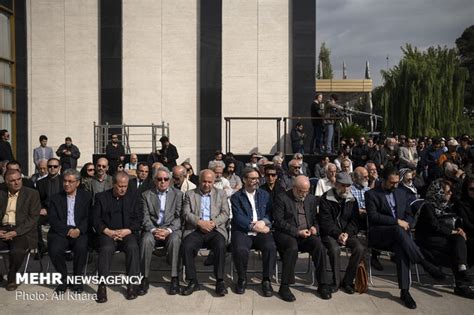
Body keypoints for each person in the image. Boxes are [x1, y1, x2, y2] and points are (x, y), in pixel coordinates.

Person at [365, 167, 445, 309]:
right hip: (380, 234)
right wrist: (397, 222)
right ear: (383, 180)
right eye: (392, 182)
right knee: (398, 230)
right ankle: (424, 263)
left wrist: (407, 223)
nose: (395, 185)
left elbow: (409, 213)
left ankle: (405, 292)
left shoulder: (402, 193)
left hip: (400, 236)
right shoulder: (371, 194)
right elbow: (373, 216)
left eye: (397, 182)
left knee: (402, 248)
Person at [273, 175, 332, 301]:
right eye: (301, 191)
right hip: (287, 233)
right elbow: (278, 221)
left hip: (306, 233)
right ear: (294, 187)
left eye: (306, 191)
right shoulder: (282, 198)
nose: (304, 194)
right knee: (292, 247)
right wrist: (297, 232)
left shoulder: (310, 199)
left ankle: (322, 284)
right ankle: (284, 286)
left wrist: (315, 227)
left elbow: (315, 218)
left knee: (320, 247)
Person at [415, 179, 474, 299]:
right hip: (428, 239)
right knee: (457, 247)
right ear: (438, 192)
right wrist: (453, 231)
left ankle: (462, 272)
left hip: (443, 238)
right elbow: (434, 226)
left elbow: (454, 220)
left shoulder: (446, 206)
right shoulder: (428, 206)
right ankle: (462, 283)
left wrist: (459, 229)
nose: (451, 193)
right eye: (447, 191)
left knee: (460, 242)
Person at [93, 172, 142, 303]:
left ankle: (131, 284)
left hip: (126, 233)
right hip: (108, 233)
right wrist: (107, 231)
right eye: (120, 186)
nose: (123, 189)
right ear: (113, 184)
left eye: (125, 186)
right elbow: (95, 219)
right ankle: (102, 286)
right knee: (106, 248)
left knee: (132, 246)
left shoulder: (133, 198)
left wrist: (128, 230)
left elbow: (138, 219)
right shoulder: (101, 197)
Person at [181, 169, 230, 296]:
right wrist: (200, 222)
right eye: (204, 181)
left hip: (215, 229)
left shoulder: (221, 194)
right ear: (199, 181)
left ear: (214, 182)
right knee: (187, 246)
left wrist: (212, 223)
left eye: (209, 182)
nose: (206, 184)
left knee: (220, 245)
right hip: (195, 229)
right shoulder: (189, 194)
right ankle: (192, 281)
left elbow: (225, 213)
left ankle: (219, 281)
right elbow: (186, 213)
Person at [230, 167, 276, 296]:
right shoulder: (236, 197)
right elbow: (238, 217)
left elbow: (270, 212)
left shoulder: (265, 195)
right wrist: (253, 227)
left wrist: (264, 221)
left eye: (257, 178)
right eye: (253, 178)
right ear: (244, 180)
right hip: (243, 230)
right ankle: (242, 278)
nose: (256, 181)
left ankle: (266, 280)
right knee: (240, 249)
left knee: (270, 247)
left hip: (261, 229)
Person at [139, 167, 183, 296]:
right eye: (159, 179)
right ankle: (144, 278)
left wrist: (168, 230)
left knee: (175, 240)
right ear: (154, 180)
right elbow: (145, 217)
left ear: (170, 180)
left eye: (166, 179)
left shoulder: (178, 194)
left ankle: (174, 278)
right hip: (153, 228)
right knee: (146, 240)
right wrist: (153, 230)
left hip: (171, 229)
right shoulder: (146, 195)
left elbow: (179, 217)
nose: (162, 181)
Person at [319, 173, 365, 294]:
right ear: (336, 185)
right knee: (334, 250)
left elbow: (355, 221)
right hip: (330, 233)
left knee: (359, 248)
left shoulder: (352, 199)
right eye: (343, 185)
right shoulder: (325, 198)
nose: (346, 188)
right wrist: (338, 234)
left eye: (348, 186)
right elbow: (325, 222)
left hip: (347, 234)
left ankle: (348, 281)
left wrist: (347, 234)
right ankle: (336, 282)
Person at [47, 169, 91, 293]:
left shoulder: (86, 196)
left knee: (82, 248)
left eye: (70, 181)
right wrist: (68, 230)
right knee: (54, 249)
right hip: (61, 232)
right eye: (65, 181)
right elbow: (53, 219)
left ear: (77, 183)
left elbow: (89, 217)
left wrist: (79, 229)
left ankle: (77, 280)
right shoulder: (55, 198)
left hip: (79, 232)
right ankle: (63, 279)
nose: (67, 184)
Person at [0, 169, 41, 291]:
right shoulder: (1, 193)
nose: (17, 182)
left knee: (17, 250)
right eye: (12, 180)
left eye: (19, 179)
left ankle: (12, 276)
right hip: (2, 228)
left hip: (22, 231)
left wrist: (16, 232)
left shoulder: (32, 194)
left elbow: (33, 218)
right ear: (6, 182)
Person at [35, 158, 64, 258]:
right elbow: (37, 199)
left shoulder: (65, 181)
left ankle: (65, 249)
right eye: (50, 166)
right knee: (34, 222)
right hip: (46, 211)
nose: (52, 168)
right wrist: (41, 208)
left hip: (62, 212)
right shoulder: (40, 183)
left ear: (59, 167)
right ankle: (41, 247)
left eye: (55, 166)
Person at [455, 177, 474, 265]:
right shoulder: (461, 204)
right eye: (471, 189)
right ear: (466, 189)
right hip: (468, 234)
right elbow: (466, 223)